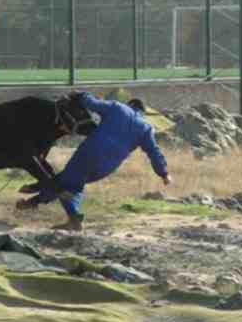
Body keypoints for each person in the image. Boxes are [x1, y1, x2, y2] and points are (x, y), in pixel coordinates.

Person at [16, 91, 172, 231]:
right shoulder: (146, 128)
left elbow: (92, 103)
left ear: (129, 104)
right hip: (108, 166)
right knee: (71, 181)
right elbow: (154, 152)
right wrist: (163, 173)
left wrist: (80, 95)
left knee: (70, 184)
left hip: (91, 152)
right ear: (142, 112)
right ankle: (32, 201)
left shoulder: (118, 108)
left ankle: (69, 216)